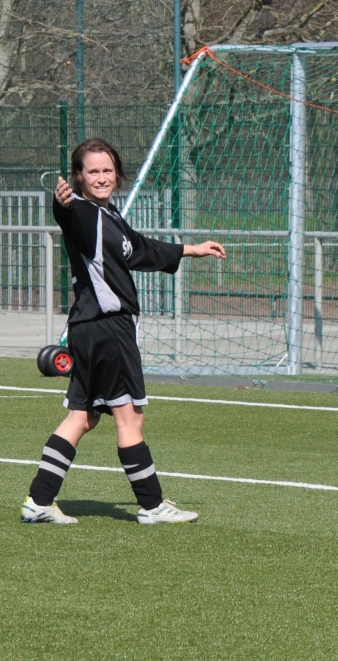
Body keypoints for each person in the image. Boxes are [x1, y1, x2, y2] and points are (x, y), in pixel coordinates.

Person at [21, 138, 226, 525]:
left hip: (89, 328)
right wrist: (60, 204)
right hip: (107, 329)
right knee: (130, 418)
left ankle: (39, 501)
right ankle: (152, 506)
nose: (102, 177)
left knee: (82, 418)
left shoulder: (108, 213)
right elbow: (67, 216)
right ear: (78, 177)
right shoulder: (82, 212)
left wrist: (190, 249)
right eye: (92, 171)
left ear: (117, 173)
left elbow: (141, 249)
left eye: (108, 170)